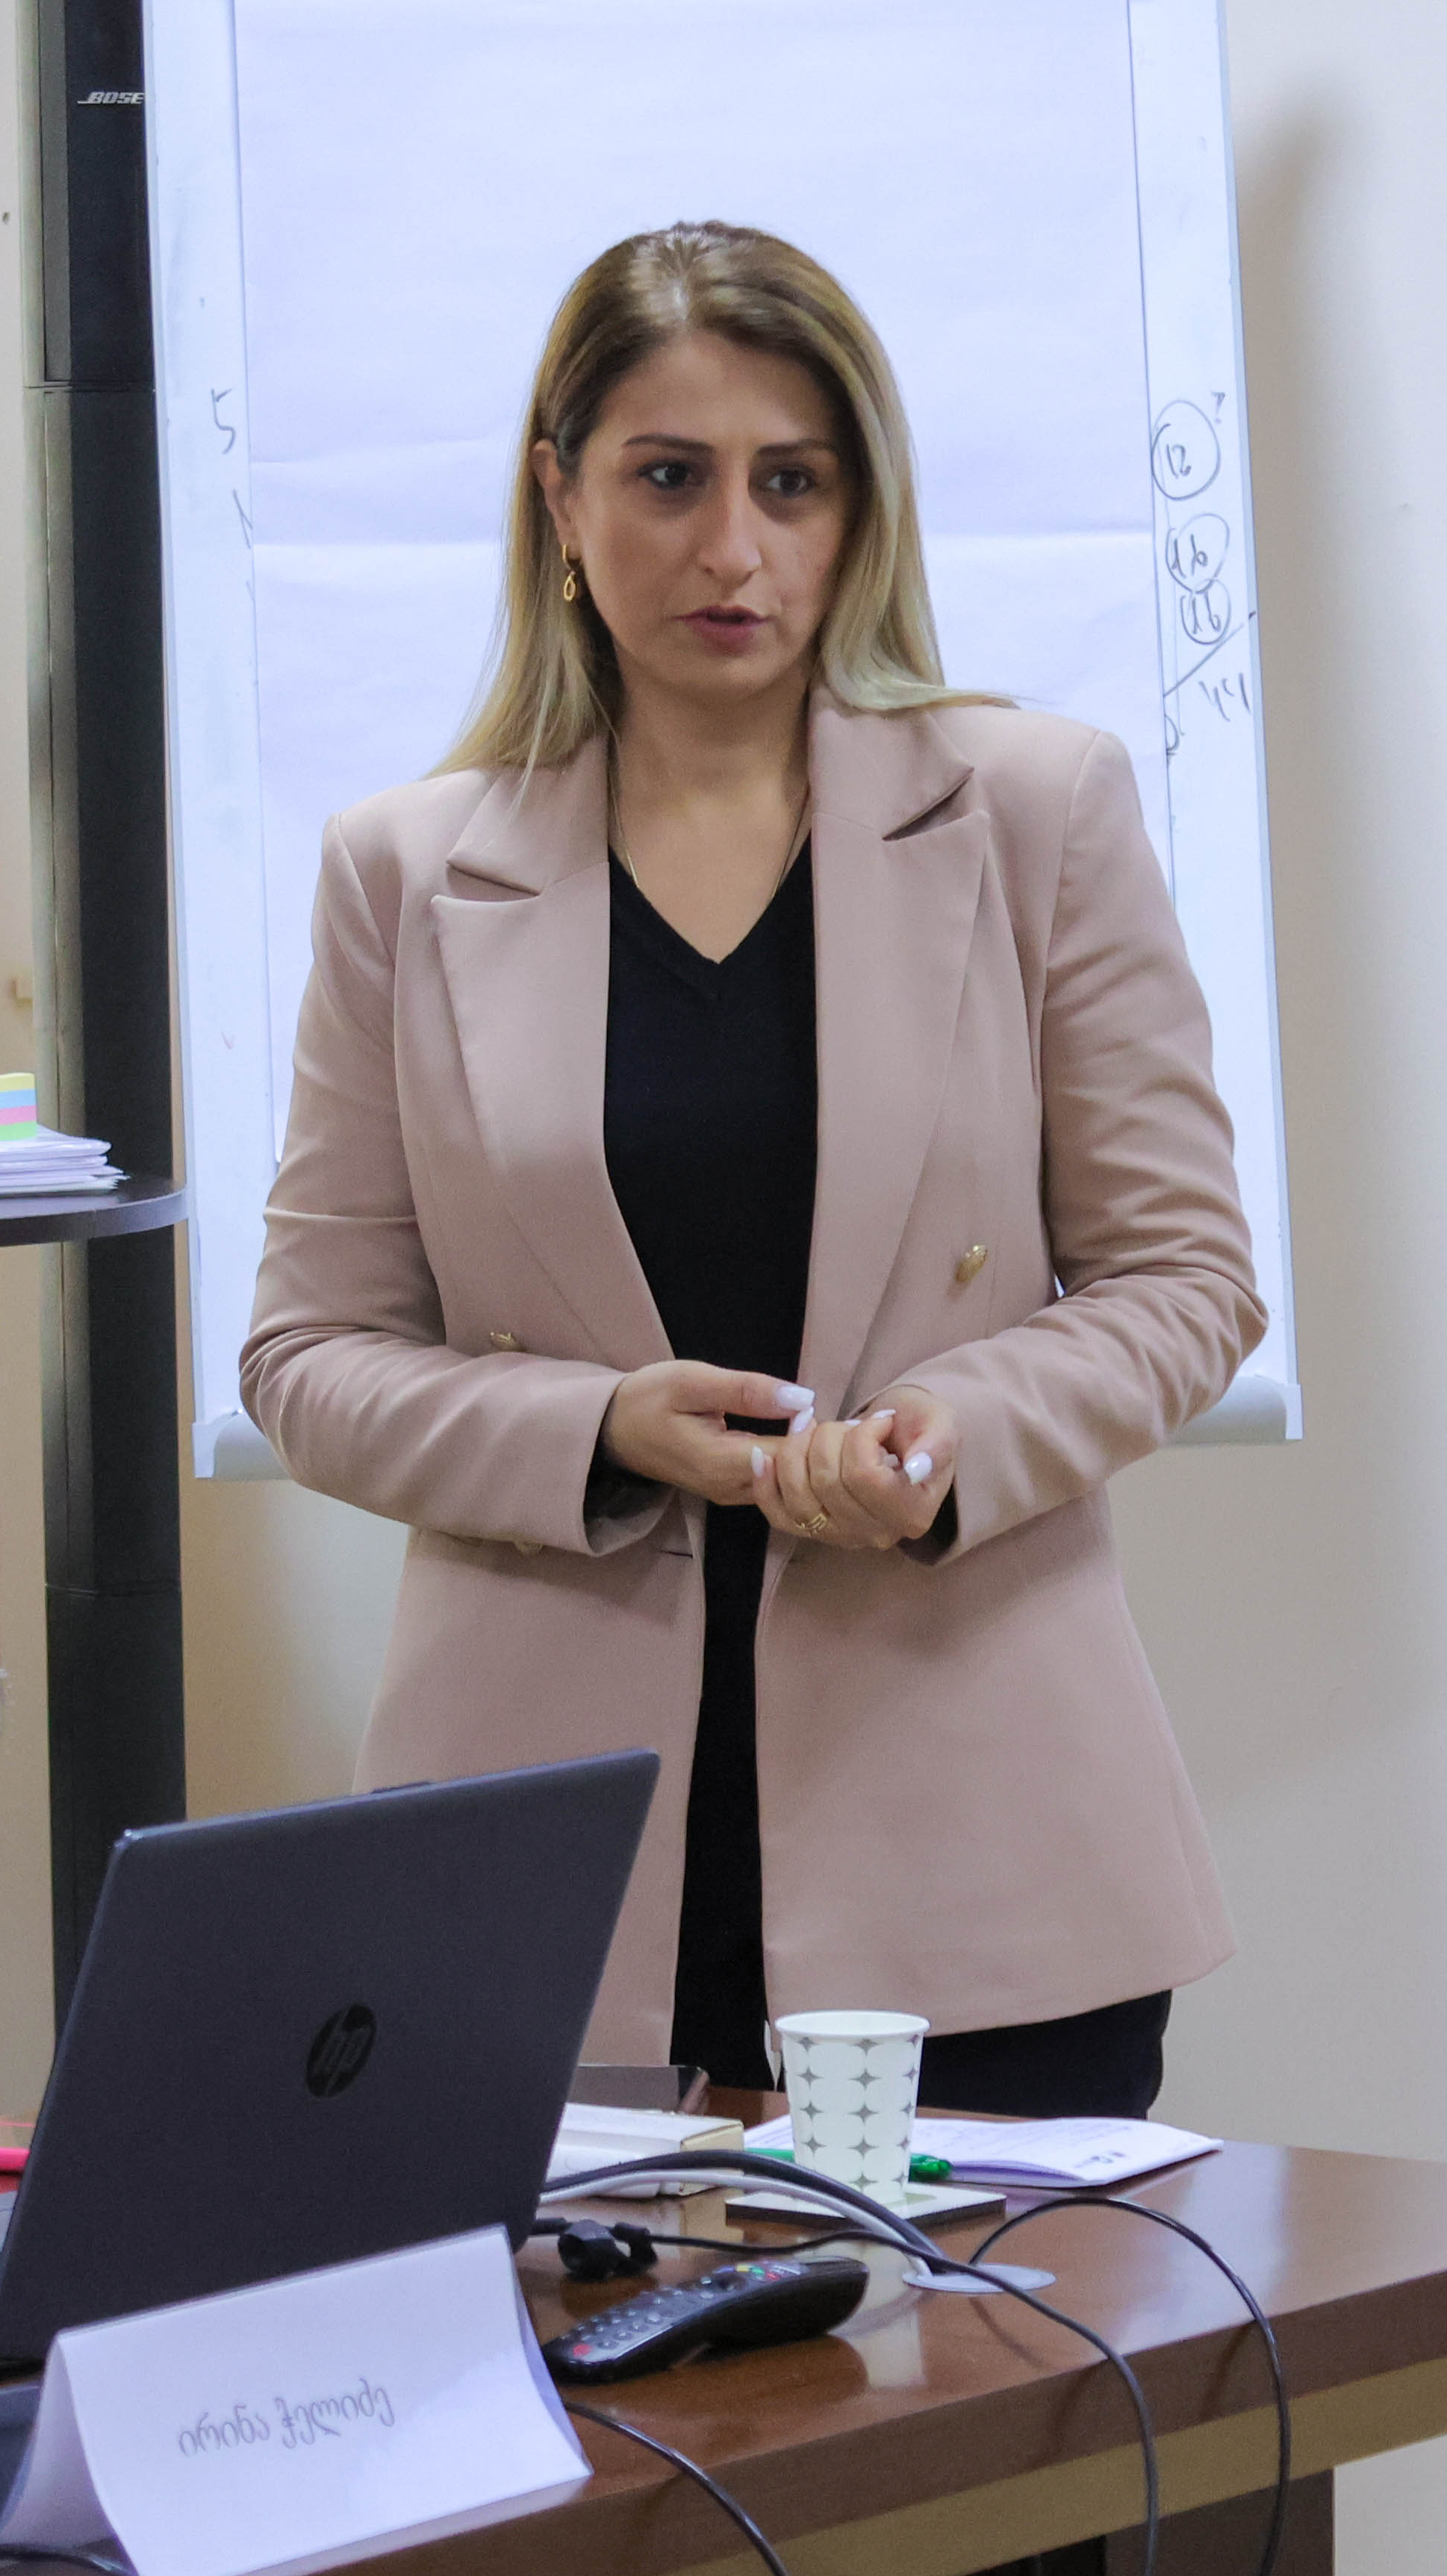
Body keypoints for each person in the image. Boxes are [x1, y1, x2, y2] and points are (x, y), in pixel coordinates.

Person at [239, 223, 1260, 2112]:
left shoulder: (1037, 811)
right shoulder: (405, 873)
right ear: (558, 498)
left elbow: (1187, 1282)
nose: (734, 549)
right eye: (668, 478)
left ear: (861, 511)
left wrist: (950, 1434)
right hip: (540, 1857)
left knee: (1005, 2322)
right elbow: (307, 1357)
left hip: (982, 1852)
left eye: (792, 483)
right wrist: (598, 1430)